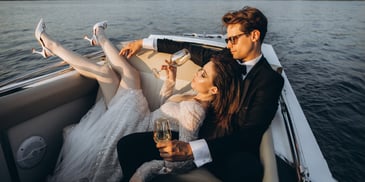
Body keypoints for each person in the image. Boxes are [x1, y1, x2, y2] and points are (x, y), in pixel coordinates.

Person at [32, 18, 244, 182]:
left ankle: (63, 43)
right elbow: (164, 110)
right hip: (141, 119)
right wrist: (170, 81)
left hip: (136, 128)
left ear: (215, 89)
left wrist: (146, 170)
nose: (197, 74)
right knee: (108, 73)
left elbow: (183, 160)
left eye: (203, 75)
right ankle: (84, 40)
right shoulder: (194, 97)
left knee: (115, 74)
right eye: (201, 70)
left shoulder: (195, 112)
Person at [118, 6, 284, 181]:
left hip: (225, 148)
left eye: (234, 39)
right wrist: (143, 43)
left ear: (254, 36)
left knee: (247, 170)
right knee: (127, 145)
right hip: (193, 130)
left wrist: (192, 150)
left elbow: (250, 134)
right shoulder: (226, 58)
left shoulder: (270, 81)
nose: (229, 45)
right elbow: (188, 49)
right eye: (228, 39)